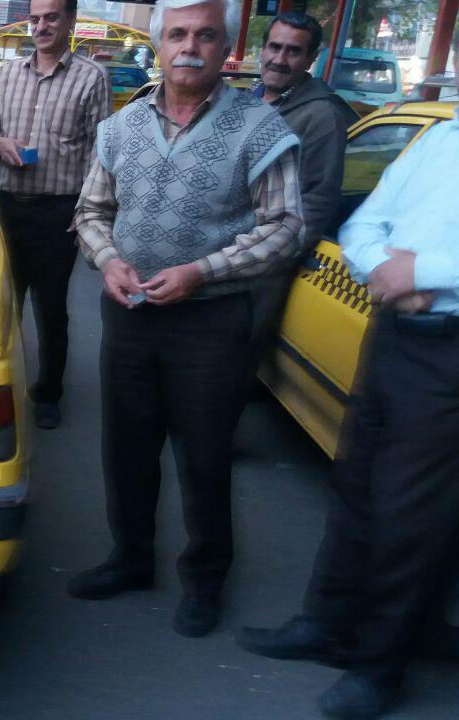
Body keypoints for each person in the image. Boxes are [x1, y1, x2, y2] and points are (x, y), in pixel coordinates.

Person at [236, 37, 459, 720]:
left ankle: (379, 666)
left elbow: (417, 260)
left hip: (450, 351)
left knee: (410, 515)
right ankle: (326, 625)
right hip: (394, 335)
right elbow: (365, 222)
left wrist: (423, 272)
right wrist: (384, 270)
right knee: (356, 484)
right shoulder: (441, 139)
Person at [69, 0, 303, 637]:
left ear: (226, 48)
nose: (189, 47)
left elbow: (286, 227)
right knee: (127, 446)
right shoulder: (122, 126)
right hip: (130, 313)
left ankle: (204, 580)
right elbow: (91, 211)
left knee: (204, 455)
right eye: (177, 34)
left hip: (210, 320)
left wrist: (203, 271)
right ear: (160, 45)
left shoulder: (259, 127)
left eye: (204, 35)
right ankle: (130, 558)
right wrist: (108, 259)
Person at [0, 0, 110, 430]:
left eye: (51, 17)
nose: (42, 26)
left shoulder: (91, 77)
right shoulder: (8, 73)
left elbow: (99, 152)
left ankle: (48, 393)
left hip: (56, 212)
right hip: (6, 210)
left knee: (51, 310)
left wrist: (86, 213)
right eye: (35, 18)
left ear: (70, 21)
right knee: (1, 306)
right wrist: (0, 144)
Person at [244, 11, 358, 377]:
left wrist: (272, 256)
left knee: (230, 368)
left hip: (260, 267)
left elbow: (318, 199)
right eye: (274, 47)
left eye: (293, 51)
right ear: (262, 49)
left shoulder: (322, 115)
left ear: (310, 59)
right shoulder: (248, 99)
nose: (279, 59)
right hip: (214, 255)